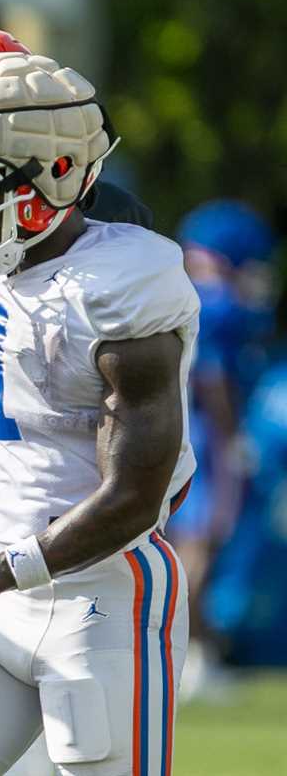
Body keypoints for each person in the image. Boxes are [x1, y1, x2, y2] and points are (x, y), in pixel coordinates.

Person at [0, 52, 198, 776]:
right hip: (0, 588)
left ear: (53, 175)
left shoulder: (124, 283)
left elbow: (134, 496)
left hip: (100, 594)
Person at [169, 199, 275, 701]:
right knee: (200, 546)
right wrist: (233, 439)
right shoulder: (222, 306)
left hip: (170, 431)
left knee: (191, 546)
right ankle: (186, 651)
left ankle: (198, 651)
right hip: (205, 436)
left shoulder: (174, 289)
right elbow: (212, 379)